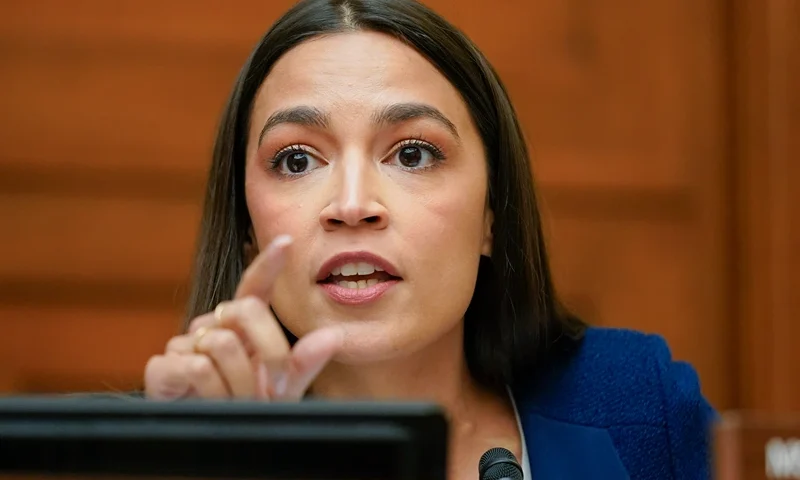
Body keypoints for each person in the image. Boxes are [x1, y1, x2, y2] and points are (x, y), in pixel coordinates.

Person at [143, 0, 716, 478]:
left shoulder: (640, 406)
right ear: (247, 228)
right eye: (296, 160)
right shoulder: (190, 447)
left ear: (492, 213)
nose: (351, 206)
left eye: (412, 154)